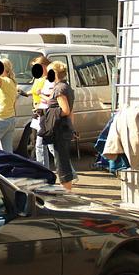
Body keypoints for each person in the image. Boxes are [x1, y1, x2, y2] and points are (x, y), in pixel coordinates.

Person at [46, 60, 76, 191]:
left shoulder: (59, 89)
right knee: (62, 160)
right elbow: (71, 112)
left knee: (62, 162)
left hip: (60, 128)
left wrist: (48, 111)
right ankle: (66, 189)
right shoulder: (65, 86)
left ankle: (67, 192)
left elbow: (65, 110)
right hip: (65, 127)